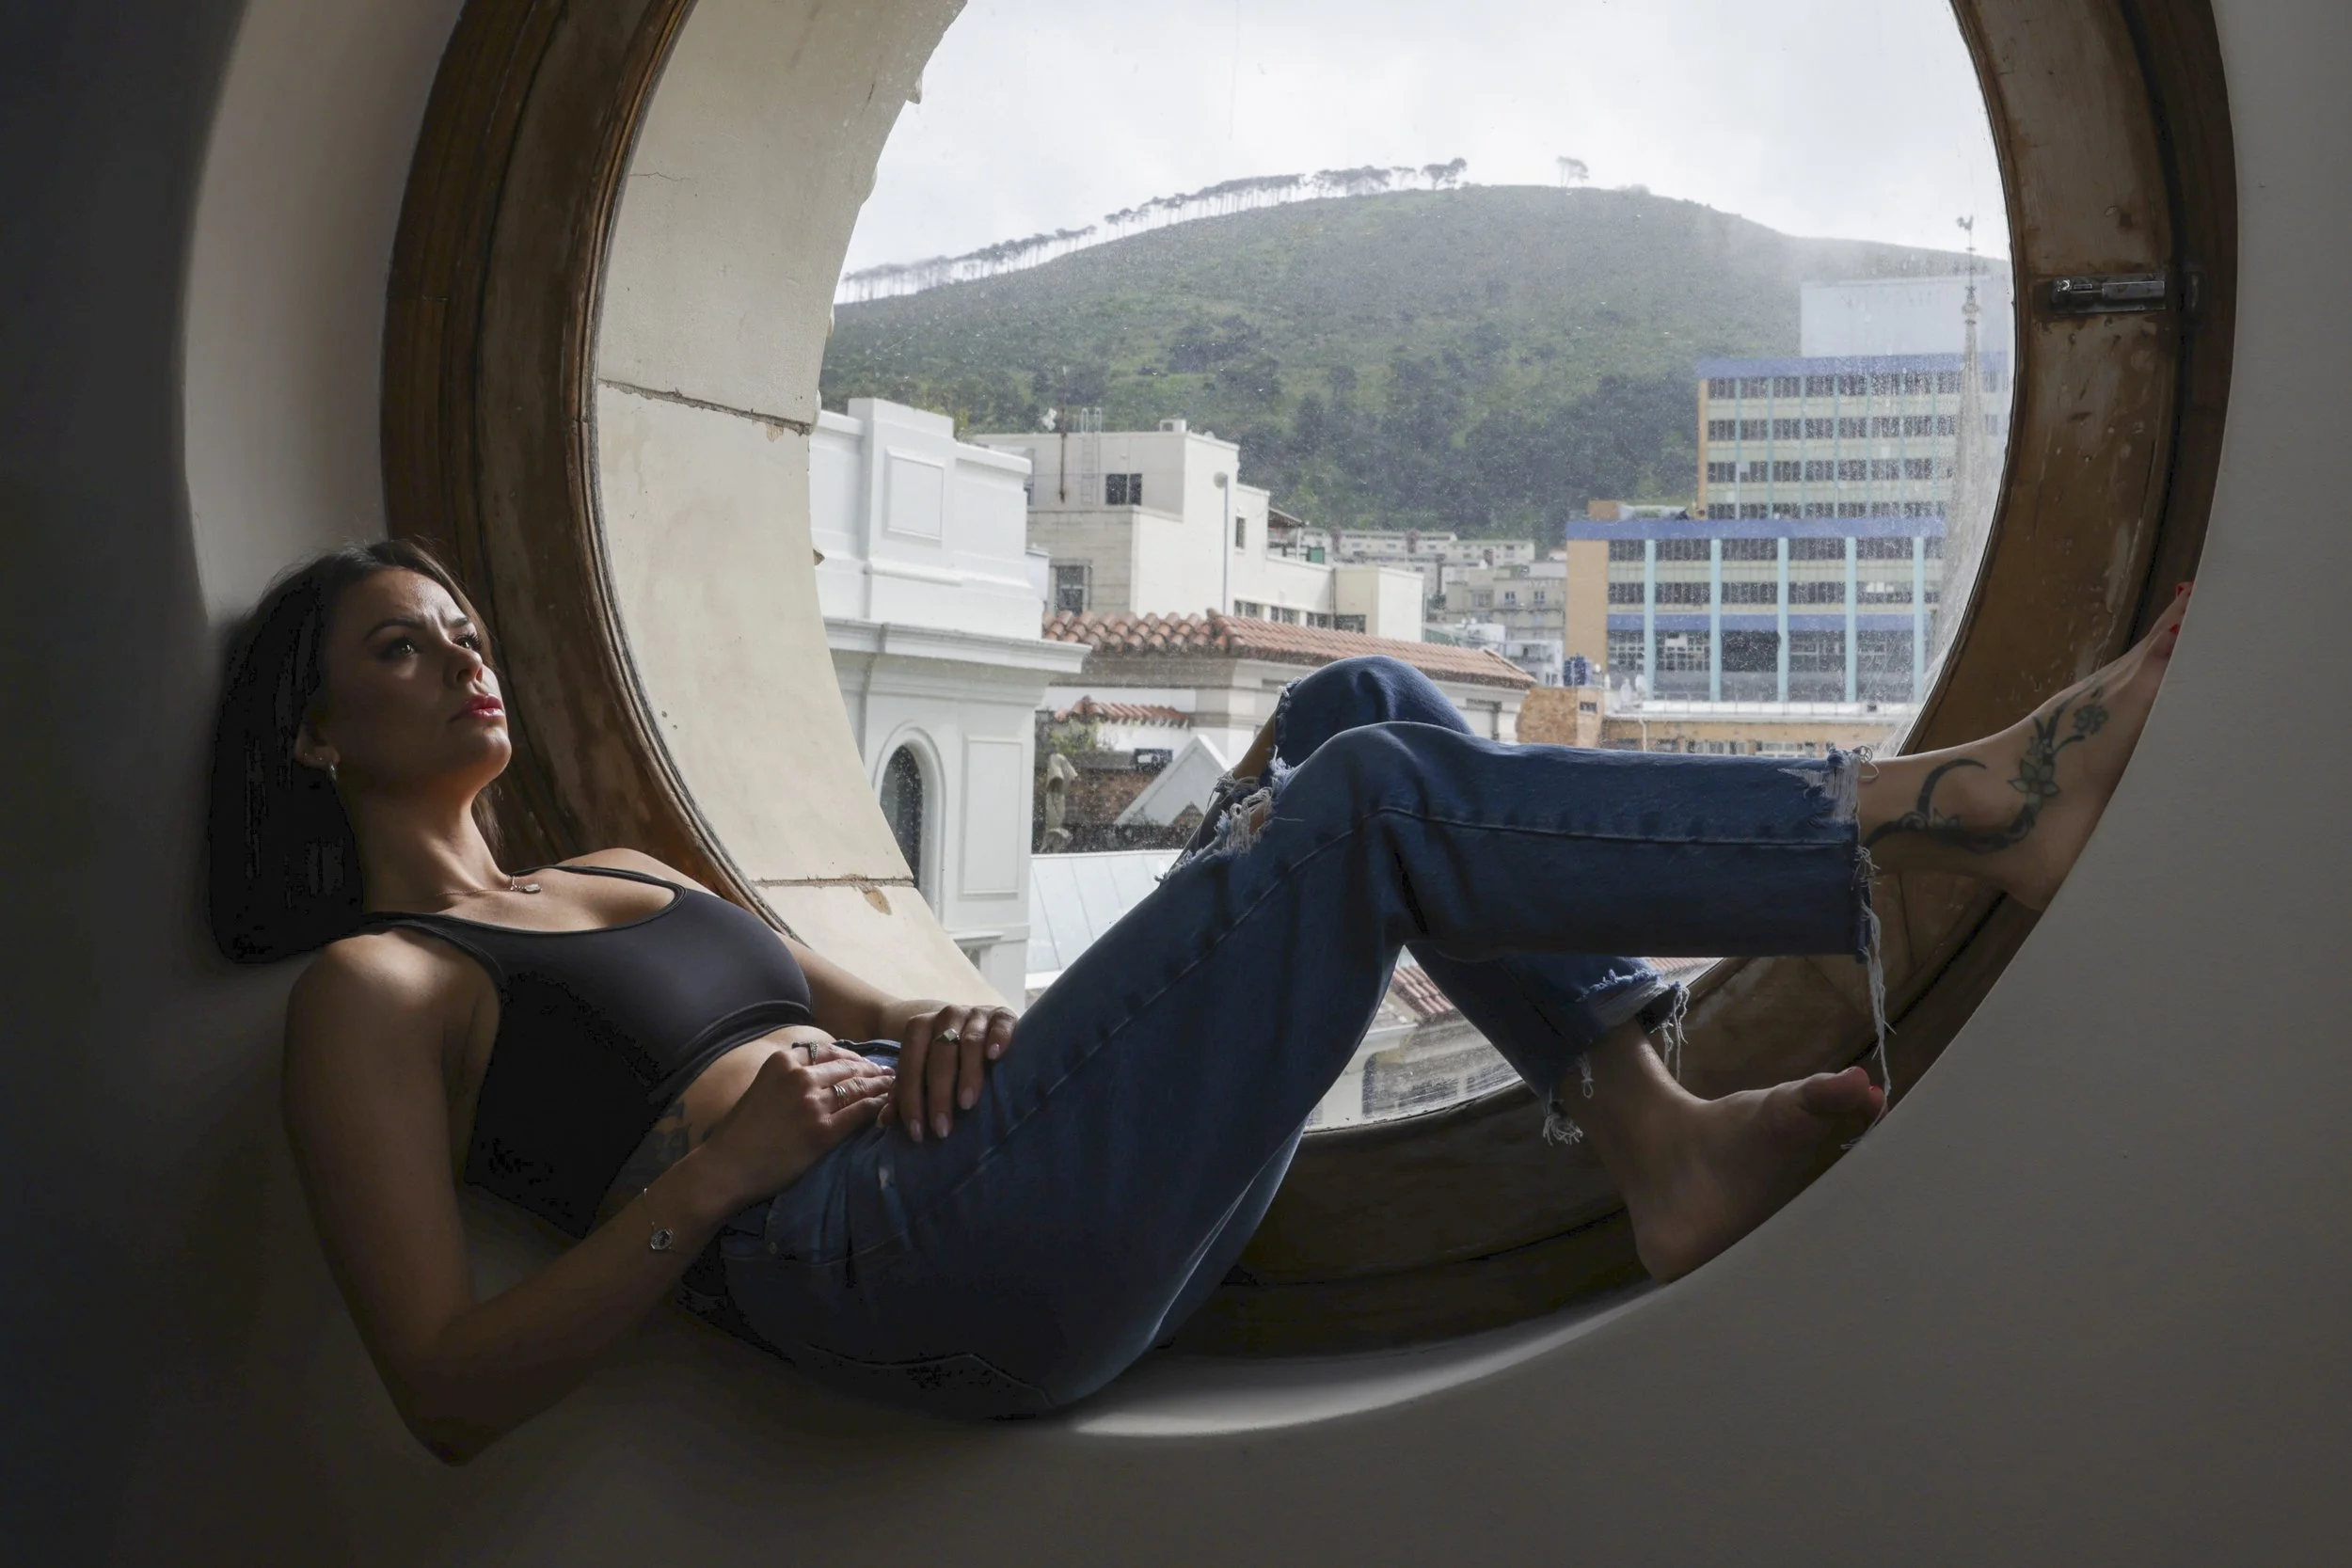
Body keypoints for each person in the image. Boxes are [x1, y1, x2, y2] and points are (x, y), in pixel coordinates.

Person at [211, 541, 2187, 1458]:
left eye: (467, 625)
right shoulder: (380, 989)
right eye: (404, 647)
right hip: (869, 1257)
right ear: (313, 733)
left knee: (1356, 708)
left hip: (968, 1166)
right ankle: (1948, 809)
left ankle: (1652, 1138)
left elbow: (866, 1016)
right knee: (1373, 799)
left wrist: (939, 1031)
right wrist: (713, 1179)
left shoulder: (621, 869)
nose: (466, 657)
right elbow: (443, 1386)